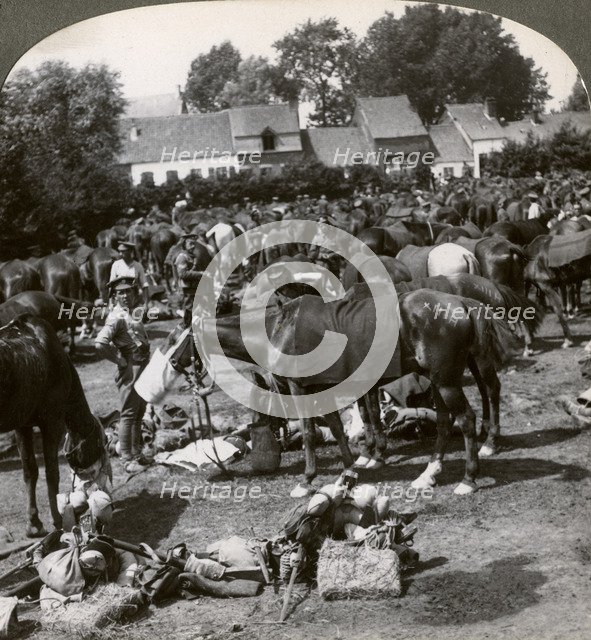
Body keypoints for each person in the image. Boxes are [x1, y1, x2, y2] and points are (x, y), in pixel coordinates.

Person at [95, 277, 152, 474]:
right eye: (121, 292)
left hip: (142, 365)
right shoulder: (115, 317)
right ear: (115, 296)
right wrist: (119, 361)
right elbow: (100, 344)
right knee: (128, 413)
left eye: (129, 291)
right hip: (131, 368)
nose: (126, 295)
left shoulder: (131, 312)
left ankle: (137, 453)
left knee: (139, 412)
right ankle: (127, 459)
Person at [110, 241, 150, 305]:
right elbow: (111, 285)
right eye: (119, 251)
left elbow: (145, 285)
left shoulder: (138, 266)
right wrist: (111, 303)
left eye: (123, 251)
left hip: (135, 299)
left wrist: (146, 304)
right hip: (121, 299)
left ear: (130, 251)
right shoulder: (116, 265)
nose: (120, 254)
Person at [175, 233, 205, 315]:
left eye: (194, 244)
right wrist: (200, 274)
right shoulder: (182, 257)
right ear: (184, 245)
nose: (193, 246)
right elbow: (182, 274)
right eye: (190, 244)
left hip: (194, 287)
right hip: (187, 289)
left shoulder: (191, 256)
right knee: (189, 310)